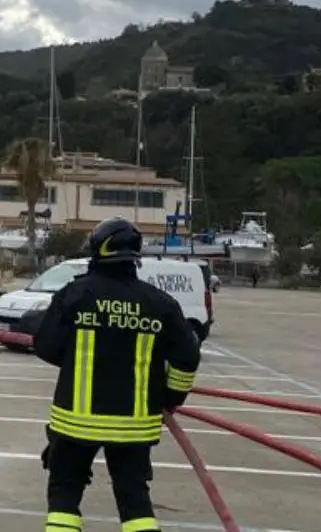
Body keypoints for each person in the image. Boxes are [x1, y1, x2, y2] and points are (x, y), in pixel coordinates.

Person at [33, 217, 201, 532]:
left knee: (65, 493)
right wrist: (170, 398)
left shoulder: (75, 295)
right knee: (134, 499)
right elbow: (188, 357)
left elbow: (45, 345)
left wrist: (78, 361)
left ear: (96, 251)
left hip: (75, 421)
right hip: (134, 427)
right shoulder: (160, 303)